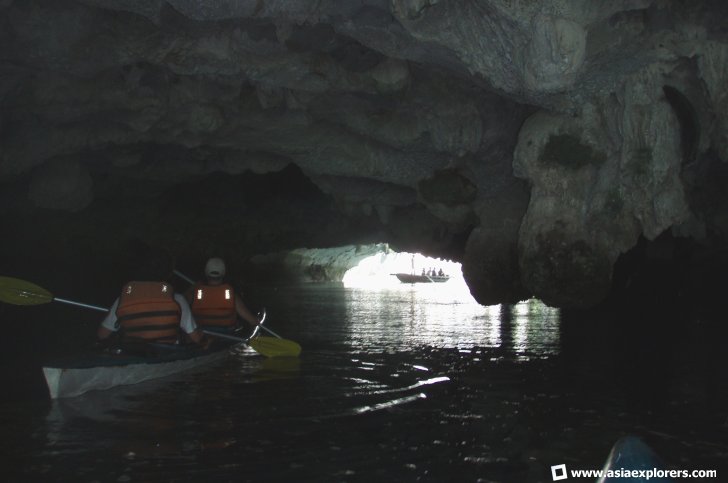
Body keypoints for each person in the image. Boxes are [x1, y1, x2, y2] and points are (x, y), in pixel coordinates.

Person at [97, 249, 207, 347]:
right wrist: (204, 336)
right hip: (167, 351)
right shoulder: (177, 300)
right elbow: (197, 338)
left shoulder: (123, 299)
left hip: (133, 351)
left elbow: (102, 335)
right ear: (168, 274)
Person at [187, 257, 261, 334]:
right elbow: (249, 318)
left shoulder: (195, 292)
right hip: (226, 332)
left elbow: (182, 305)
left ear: (206, 272)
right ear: (223, 273)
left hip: (202, 331)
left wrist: (193, 288)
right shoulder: (230, 293)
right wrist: (256, 321)